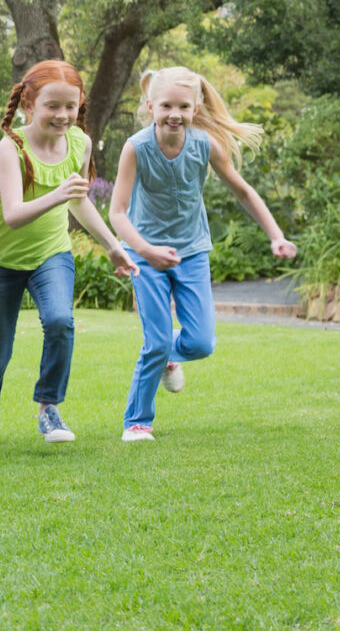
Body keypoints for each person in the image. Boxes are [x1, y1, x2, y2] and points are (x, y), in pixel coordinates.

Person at [110, 67, 297, 442]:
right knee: (157, 340)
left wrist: (275, 236)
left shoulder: (205, 144)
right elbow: (117, 211)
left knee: (201, 344)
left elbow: (243, 191)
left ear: (196, 108)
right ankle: (137, 421)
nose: (174, 113)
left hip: (192, 251)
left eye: (183, 105)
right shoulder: (136, 147)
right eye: (166, 105)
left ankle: (167, 355)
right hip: (144, 254)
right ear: (150, 106)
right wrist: (144, 250)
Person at [0, 61, 136, 449]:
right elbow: (12, 216)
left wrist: (113, 246)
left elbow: (80, 204)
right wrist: (59, 194)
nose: (62, 115)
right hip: (2, 262)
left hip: (51, 254)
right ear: (29, 104)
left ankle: (48, 406)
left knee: (60, 320)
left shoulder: (80, 143)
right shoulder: (12, 147)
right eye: (52, 106)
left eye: (70, 107)